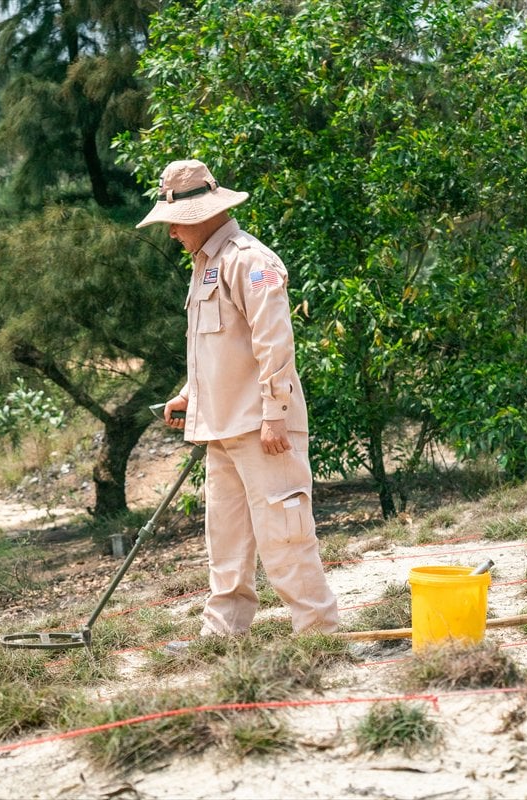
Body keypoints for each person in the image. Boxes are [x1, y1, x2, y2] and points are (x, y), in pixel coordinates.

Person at [137, 159, 339, 637]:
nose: (171, 235)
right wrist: (190, 395)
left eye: (174, 224)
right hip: (222, 426)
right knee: (225, 537)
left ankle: (318, 633)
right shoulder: (206, 264)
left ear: (199, 215)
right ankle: (224, 634)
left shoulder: (249, 260)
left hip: (262, 426)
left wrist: (275, 414)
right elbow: (218, 348)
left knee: (284, 533)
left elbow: (274, 344)